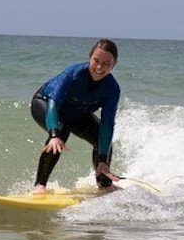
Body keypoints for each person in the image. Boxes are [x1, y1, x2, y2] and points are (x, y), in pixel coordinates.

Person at [30, 38, 123, 194]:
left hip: (77, 112)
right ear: (90, 58)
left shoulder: (112, 89)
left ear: (114, 65)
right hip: (46, 104)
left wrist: (102, 159)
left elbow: (107, 124)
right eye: (96, 61)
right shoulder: (73, 74)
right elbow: (53, 103)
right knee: (60, 133)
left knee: (102, 141)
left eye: (107, 63)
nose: (100, 67)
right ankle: (40, 186)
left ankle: (104, 184)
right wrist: (53, 134)